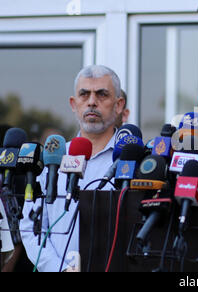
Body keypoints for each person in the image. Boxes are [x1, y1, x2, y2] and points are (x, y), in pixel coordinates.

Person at [20, 65, 125, 272]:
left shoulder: (130, 162)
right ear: (73, 104)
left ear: (119, 104)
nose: (92, 102)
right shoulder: (53, 158)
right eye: (84, 94)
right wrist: (59, 269)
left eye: (102, 94)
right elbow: (31, 227)